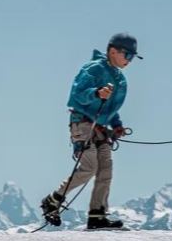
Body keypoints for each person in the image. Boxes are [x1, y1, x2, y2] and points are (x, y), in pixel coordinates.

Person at [39, 33, 140, 230]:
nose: (129, 61)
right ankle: (53, 199)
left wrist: (117, 124)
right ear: (113, 51)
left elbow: (111, 109)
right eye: (127, 55)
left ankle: (98, 215)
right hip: (83, 124)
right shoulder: (93, 68)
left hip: (101, 129)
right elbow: (78, 93)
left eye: (132, 57)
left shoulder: (120, 78)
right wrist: (96, 92)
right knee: (90, 167)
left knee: (106, 169)